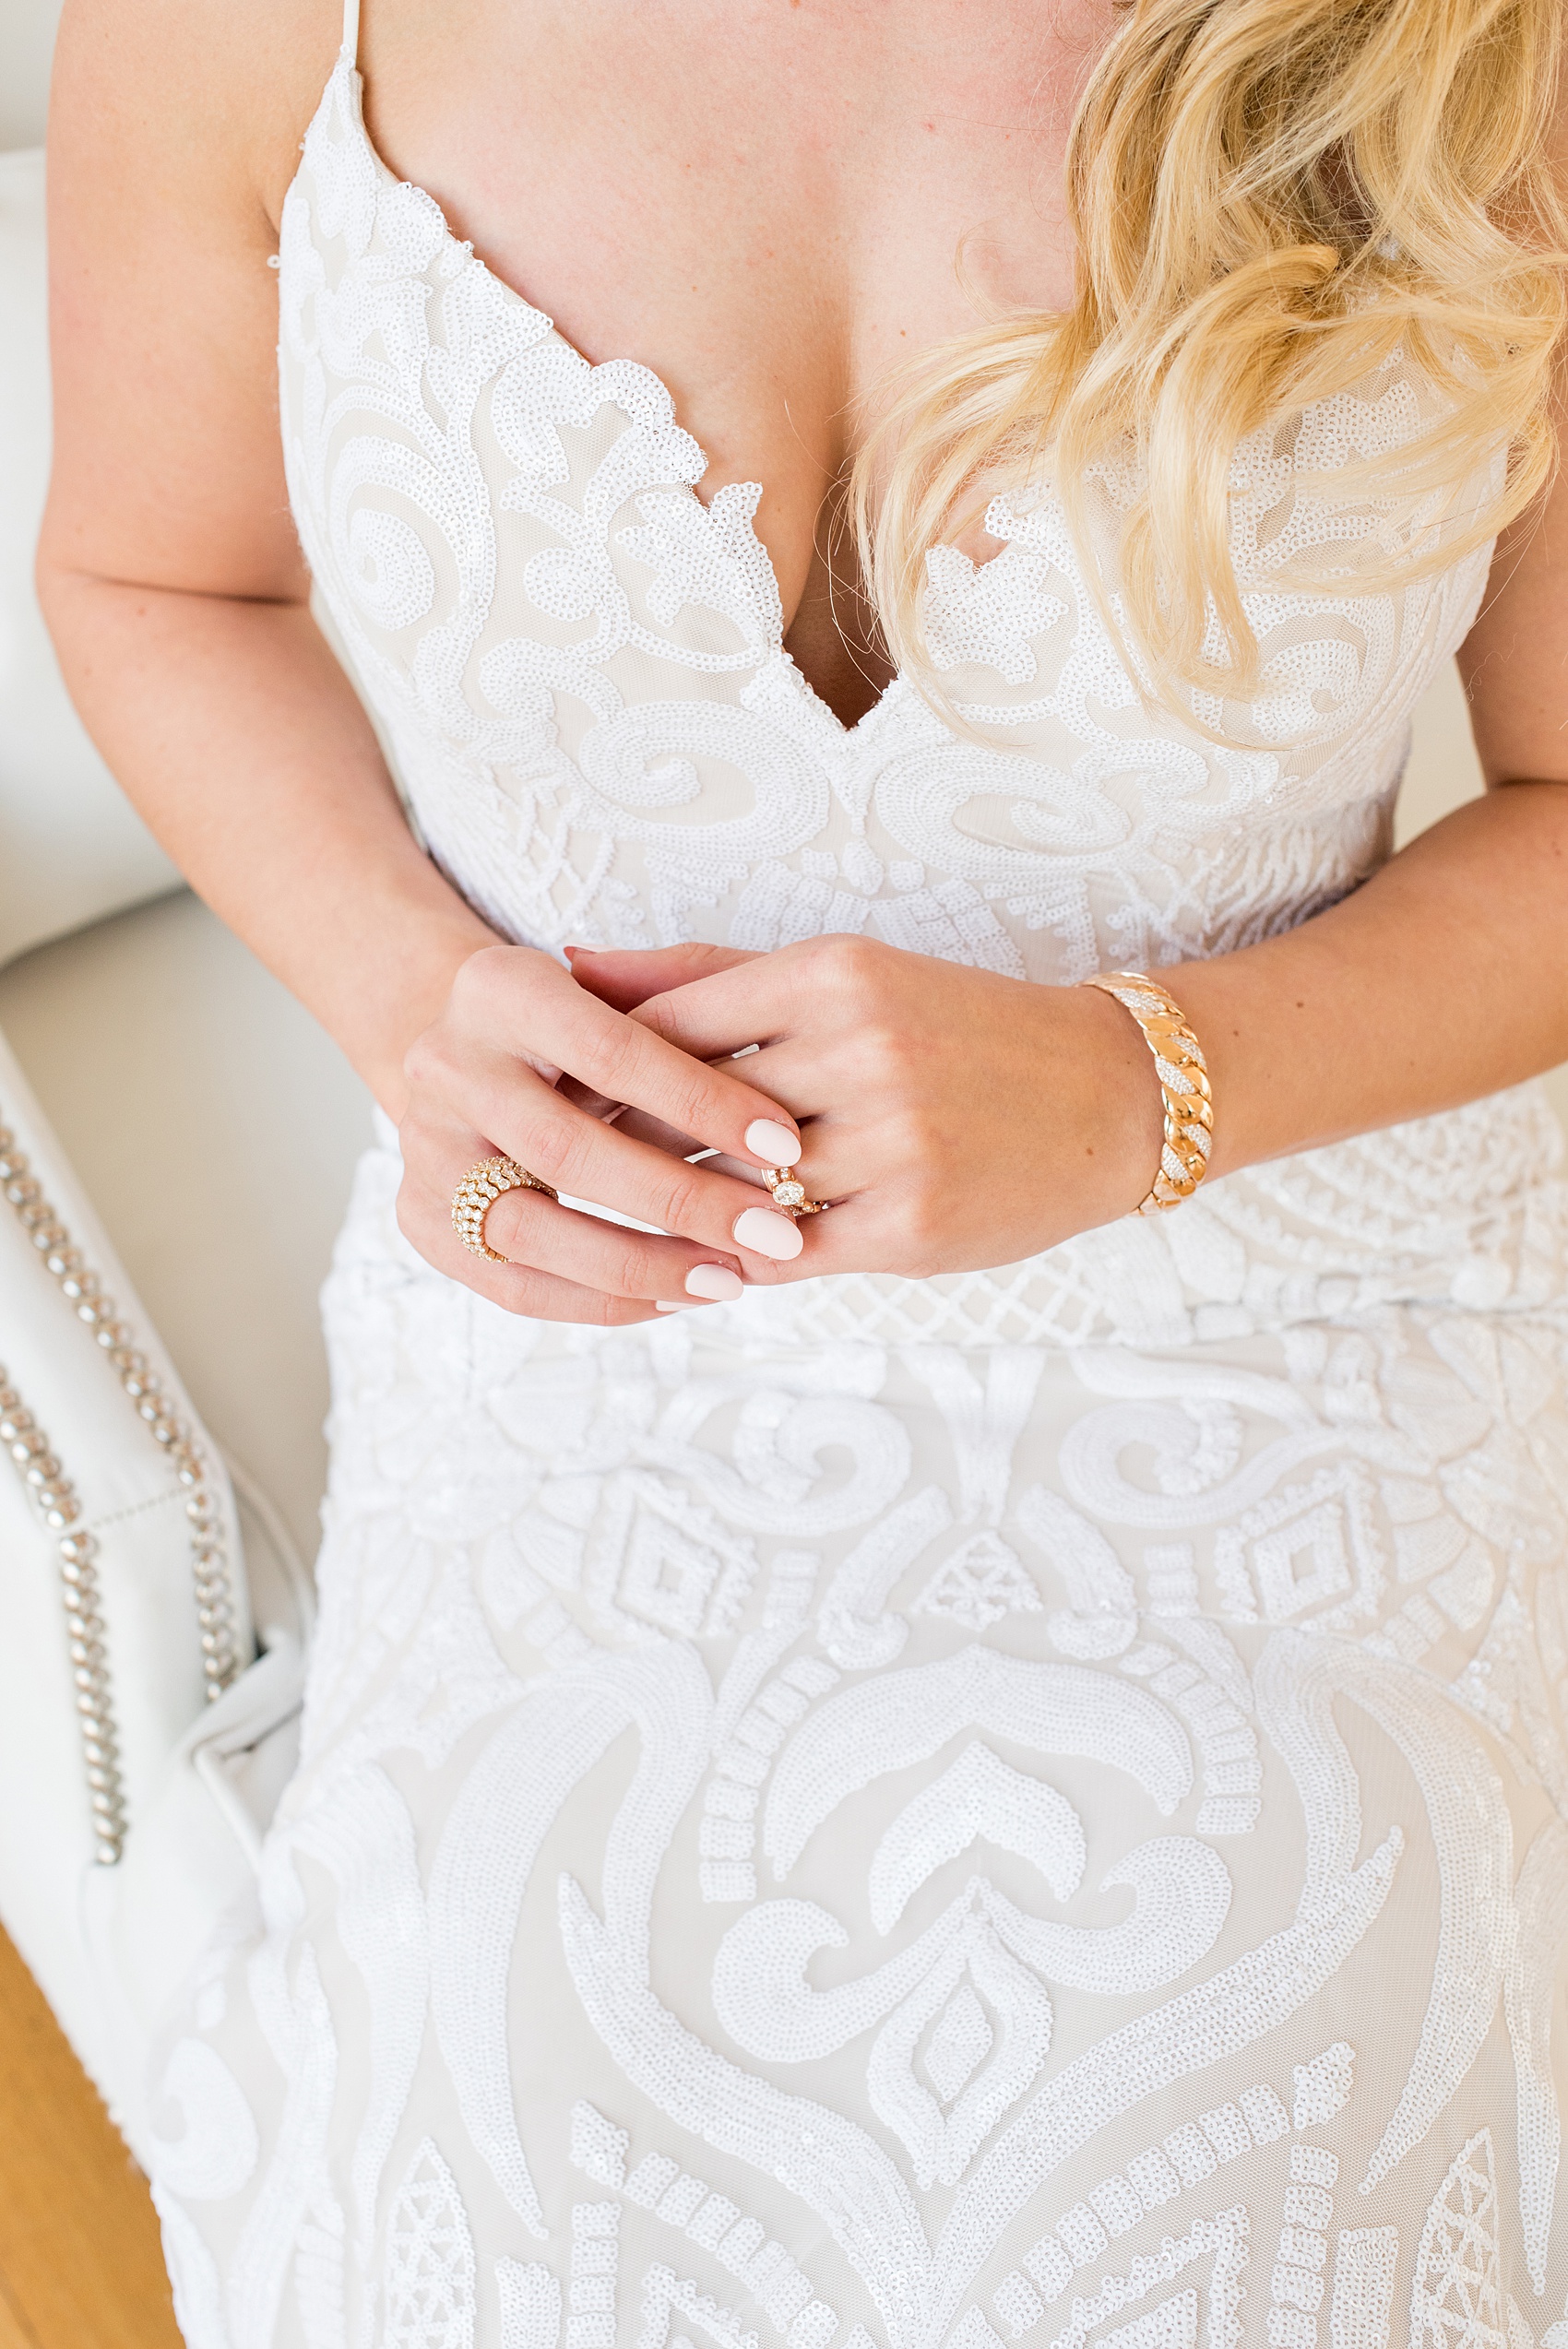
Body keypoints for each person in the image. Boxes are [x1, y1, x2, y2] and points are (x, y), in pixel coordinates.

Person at [35, 0, 1568, 2342]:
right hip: (591, 1335)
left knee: (1250, 2194)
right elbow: (157, 582)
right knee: (500, 2185)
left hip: (1286, 1295)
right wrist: (409, 1003)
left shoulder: (1482, 50)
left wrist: (1133, 1079)